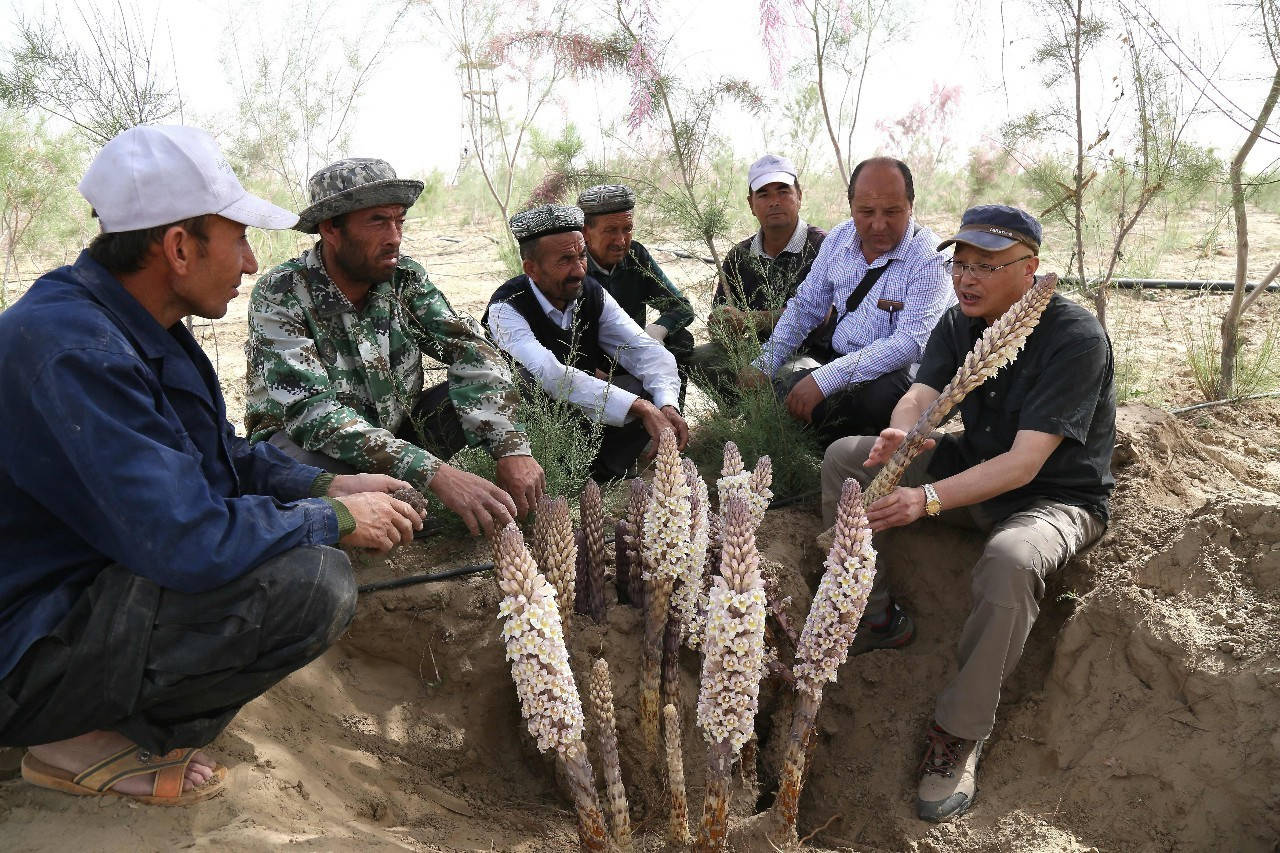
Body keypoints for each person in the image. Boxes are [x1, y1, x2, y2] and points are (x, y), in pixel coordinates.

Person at [0, 125, 423, 805]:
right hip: (25, 635)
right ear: (177, 247)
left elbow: (221, 458)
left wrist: (326, 482)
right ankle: (73, 735)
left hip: (80, 587)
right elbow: (187, 536)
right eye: (239, 239)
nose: (252, 262)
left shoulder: (138, 325)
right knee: (310, 583)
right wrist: (332, 517)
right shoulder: (72, 348)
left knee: (298, 554)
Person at [820, 205, 1115, 823]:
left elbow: (1025, 465)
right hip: (973, 469)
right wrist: (901, 437)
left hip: (1052, 496)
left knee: (1008, 561)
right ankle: (873, 617)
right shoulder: (961, 323)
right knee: (846, 460)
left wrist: (925, 499)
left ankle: (958, 734)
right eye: (960, 264)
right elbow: (922, 394)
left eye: (987, 265)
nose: (967, 278)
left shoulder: (1074, 339)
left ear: (1030, 270)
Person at [244, 158, 545, 536]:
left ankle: (409, 498)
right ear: (331, 229)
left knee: (504, 389)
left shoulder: (404, 278)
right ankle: (358, 520)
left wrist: (510, 445)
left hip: (398, 433)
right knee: (300, 466)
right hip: (316, 450)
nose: (395, 236)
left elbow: (468, 348)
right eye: (377, 222)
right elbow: (312, 415)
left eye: (399, 220)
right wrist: (436, 473)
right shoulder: (282, 293)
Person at [745, 157, 954, 447]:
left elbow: (909, 344)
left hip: (907, 376)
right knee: (781, 392)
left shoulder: (930, 256)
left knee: (876, 400)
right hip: (843, 362)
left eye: (892, 212)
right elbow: (806, 306)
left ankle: (859, 452)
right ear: (851, 206)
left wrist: (826, 379)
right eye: (866, 211)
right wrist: (765, 362)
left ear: (911, 205)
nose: (878, 224)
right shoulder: (840, 239)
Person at [484, 204, 688, 481]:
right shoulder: (506, 307)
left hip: (584, 406)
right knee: (526, 383)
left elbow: (645, 351)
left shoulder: (590, 291)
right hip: (533, 422)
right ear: (531, 268)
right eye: (564, 261)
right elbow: (550, 375)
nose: (579, 270)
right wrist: (641, 407)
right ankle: (553, 472)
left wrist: (665, 406)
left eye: (581, 256)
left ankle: (604, 471)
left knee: (656, 378)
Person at [690, 154, 827, 399]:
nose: (774, 201)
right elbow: (723, 316)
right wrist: (723, 323)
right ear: (751, 204)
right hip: (753, 350)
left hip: (811, 355)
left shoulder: (822, 247)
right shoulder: (739, 255)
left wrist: (751, 319)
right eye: (763, 194)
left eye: (783, 191)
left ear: (799, 196)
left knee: (788, 376)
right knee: (700, 358)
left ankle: (787, 432)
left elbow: (821, 316)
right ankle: (745, 420)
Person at [576, 184, 696, 394]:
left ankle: (672, 414)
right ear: (585, 232)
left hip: (634, 353)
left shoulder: (636, 257)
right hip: (590, 363)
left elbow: (681, 307)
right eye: (611, 230)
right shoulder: (573, 267)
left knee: (679, 339)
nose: (621, 240)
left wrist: (658, 329)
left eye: (627, 229)